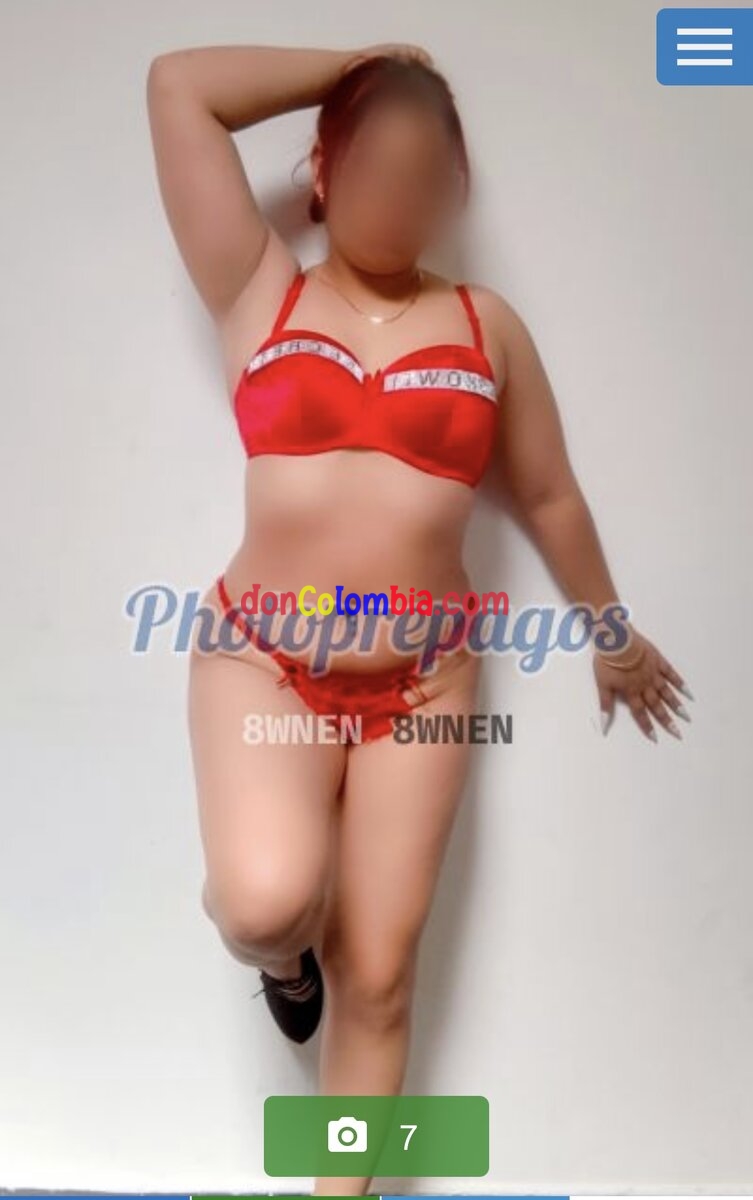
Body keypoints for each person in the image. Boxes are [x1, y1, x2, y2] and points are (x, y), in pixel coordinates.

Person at [146, 40, 693, 1197]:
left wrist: (610, 633)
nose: (399, 194)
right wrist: (365, 65)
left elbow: (549, 494)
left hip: (424, 686)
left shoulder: (487, 326)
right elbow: (178, 87)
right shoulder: (261, 290)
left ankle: (337, 1194)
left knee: (382, 975)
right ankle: (277, 958)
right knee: (264, 901)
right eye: (373, 165)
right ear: (323, 172)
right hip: (263, 661)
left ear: (454, 190)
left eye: (425, 174)